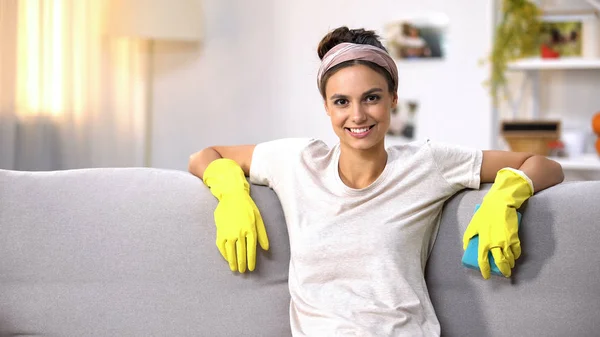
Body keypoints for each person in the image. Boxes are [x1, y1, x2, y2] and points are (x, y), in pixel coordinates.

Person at [188, 26, 564, 336]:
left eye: (371, 98)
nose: (357, 115)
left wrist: (506, 196)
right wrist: (230, 191)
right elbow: (205, 156)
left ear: (393, 99)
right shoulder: (297, 161)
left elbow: (545, 164)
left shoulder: (428, 163)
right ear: (326, 107)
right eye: (341, 102)